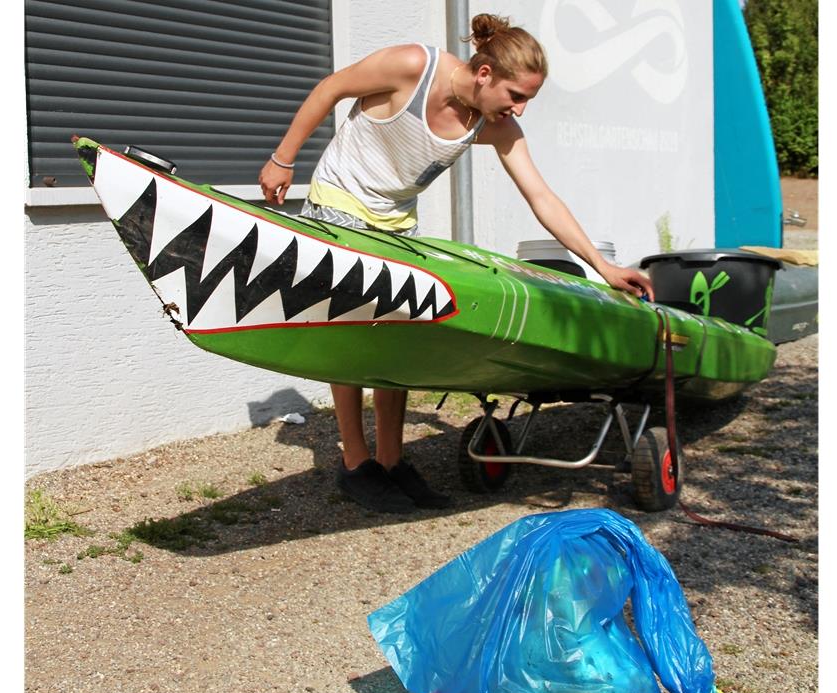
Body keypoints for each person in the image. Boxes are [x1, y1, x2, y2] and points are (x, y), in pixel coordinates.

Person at [259, 13, 655, 514]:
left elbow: (541, 197)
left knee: (398, 341)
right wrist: (283, 158)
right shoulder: (413, 66)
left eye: (528, 98)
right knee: (355, 338)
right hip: (339, 203)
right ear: (484, 74)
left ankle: (392, 461)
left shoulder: (491, 124)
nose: (521, 109)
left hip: (396, 225)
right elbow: (332, 87)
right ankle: (356, 465)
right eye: (517, 95)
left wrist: (601, 266)